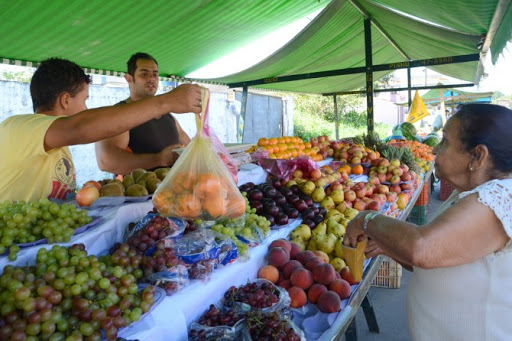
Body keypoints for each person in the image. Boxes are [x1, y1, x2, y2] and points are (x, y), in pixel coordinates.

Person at [344, 103, 512, 340]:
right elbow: (437, 255)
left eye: (444, 142)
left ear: (477, 156)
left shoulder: (499, 197)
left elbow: (422, 247)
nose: (434, 152)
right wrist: (389, 246)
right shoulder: (469, 193)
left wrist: (366, 218)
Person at [0, 58, 202, 202]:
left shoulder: (53, 144)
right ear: (65, 100)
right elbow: (82, 127)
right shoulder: (17, 127)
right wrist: (165, 102)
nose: (86, 109)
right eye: (85, 101)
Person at [95, 52, 191, 176]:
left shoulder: (168, 116)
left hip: (173, 191)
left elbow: (191, 148)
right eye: (144, 74)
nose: (151, 78)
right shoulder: (120, 114)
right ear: (129, 79)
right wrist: (158, 159)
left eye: (155, 74)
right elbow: (106, 161)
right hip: (139, 193)